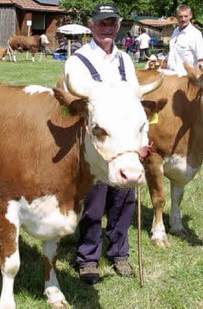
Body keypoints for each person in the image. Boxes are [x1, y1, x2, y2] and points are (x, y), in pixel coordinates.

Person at [64, 3, 138, 285]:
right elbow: (77, 105)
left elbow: (134, 102)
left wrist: (141, 140)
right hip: (95, 144)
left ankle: (119, 253)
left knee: (124, 197)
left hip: (123, 142)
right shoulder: (77, 62)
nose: (107, 28)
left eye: (112, 23)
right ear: (92, 26)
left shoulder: (126, 61)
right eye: (102, 23)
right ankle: (88, 258)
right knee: (94, 203)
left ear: (118, 27)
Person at [165, 4, 203, 76]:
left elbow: (201, 60)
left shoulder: (195, 34)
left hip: (186, 77)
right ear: (176, 17)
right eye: (180, 16)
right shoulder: (175, 31)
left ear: (190, 15)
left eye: (186, 16)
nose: (183, 19)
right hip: (171, 75)